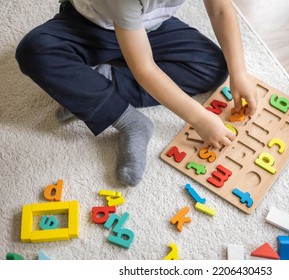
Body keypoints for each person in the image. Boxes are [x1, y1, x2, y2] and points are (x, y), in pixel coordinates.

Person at [15, 0, 258, 187]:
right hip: (89, 25)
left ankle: (99, 83)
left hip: (150, 27)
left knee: (214, 67)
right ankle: (131, 121)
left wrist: (239, 72)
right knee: (35, 50)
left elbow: (221, 10)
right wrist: (200, 119)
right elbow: (144, 69)